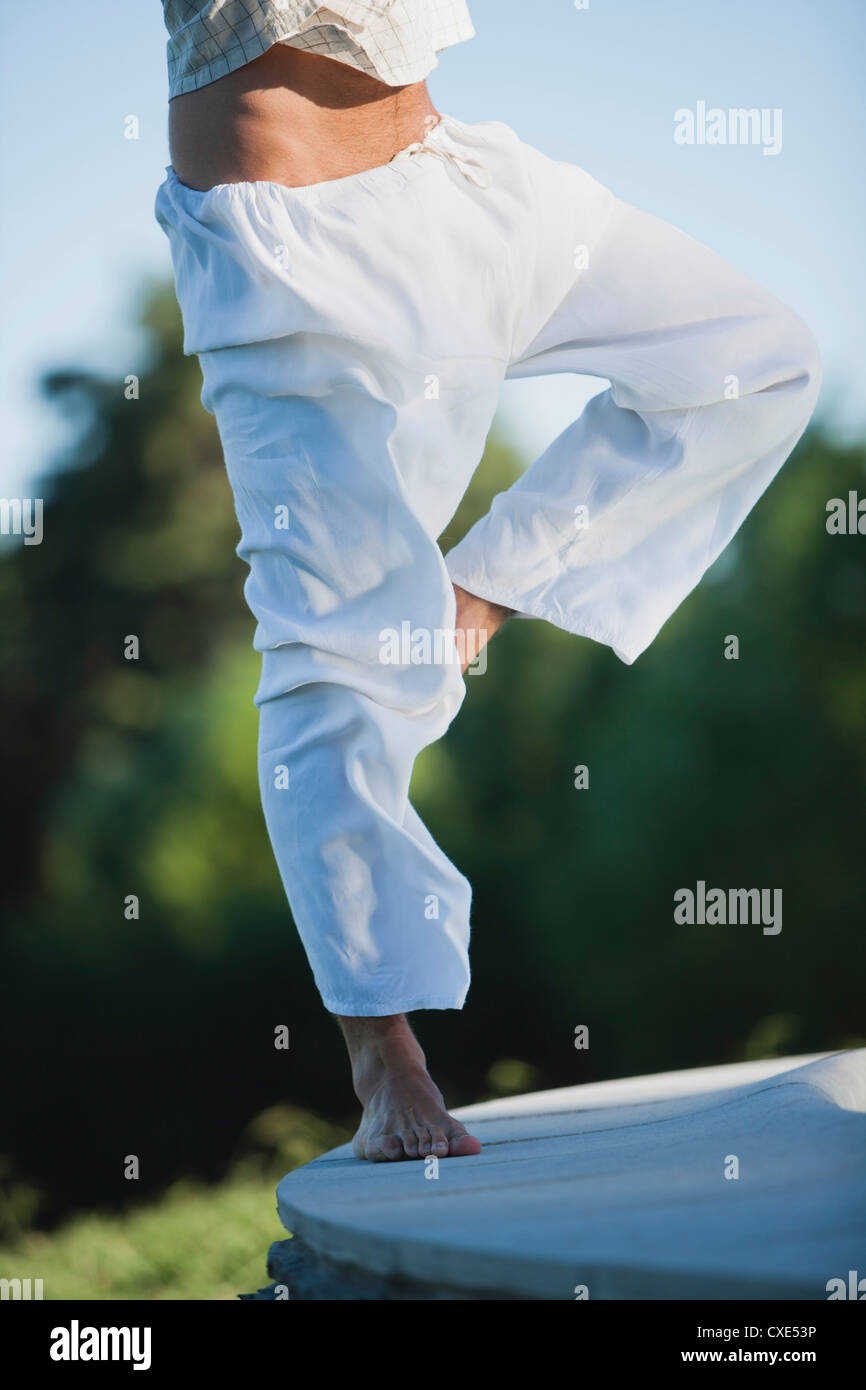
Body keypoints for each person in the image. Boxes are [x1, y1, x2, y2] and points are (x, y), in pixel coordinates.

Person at [155, 2, 821, 1162]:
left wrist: (493, 576)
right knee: (329, 663)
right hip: (301, 254)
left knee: (755, 360)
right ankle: (384, 1062)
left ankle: (485, 591)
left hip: (477, 189)